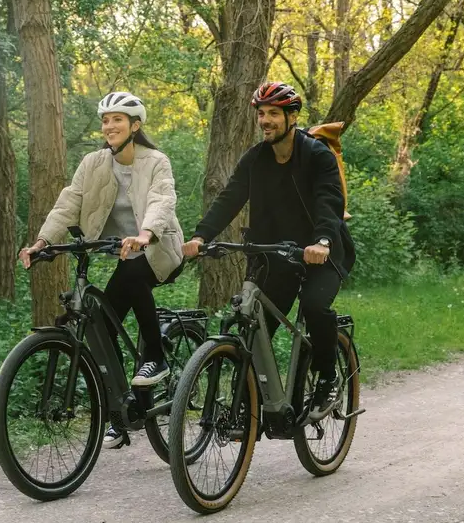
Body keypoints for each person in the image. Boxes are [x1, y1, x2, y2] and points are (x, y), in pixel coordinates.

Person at [20, 91, 184, 448]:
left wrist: (145, 234)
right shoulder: (93, 163)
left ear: (135, 126)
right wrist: (43, 242)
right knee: (103, 326)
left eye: (117, 120)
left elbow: (162, 199)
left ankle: (156, 357)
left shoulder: (156, 161)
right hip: (121, 251)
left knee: (131, 273)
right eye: (105, 120)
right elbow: (70, 202)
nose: (108, 126)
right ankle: (124, 409)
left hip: (157, 249)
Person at [182, 82, 355, 414]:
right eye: (261, 114)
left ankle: (328, 378)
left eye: (274, 113)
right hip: (275, 255)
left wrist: (321, 242)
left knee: (315, 306)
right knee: (255, 324)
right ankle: (251, 401)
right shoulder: (256, 158)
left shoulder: (316, 155)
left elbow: (328, 203)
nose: (265, 120)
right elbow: (230, 197)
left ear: (292, 117)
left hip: (321, 253)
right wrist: (201, 236)